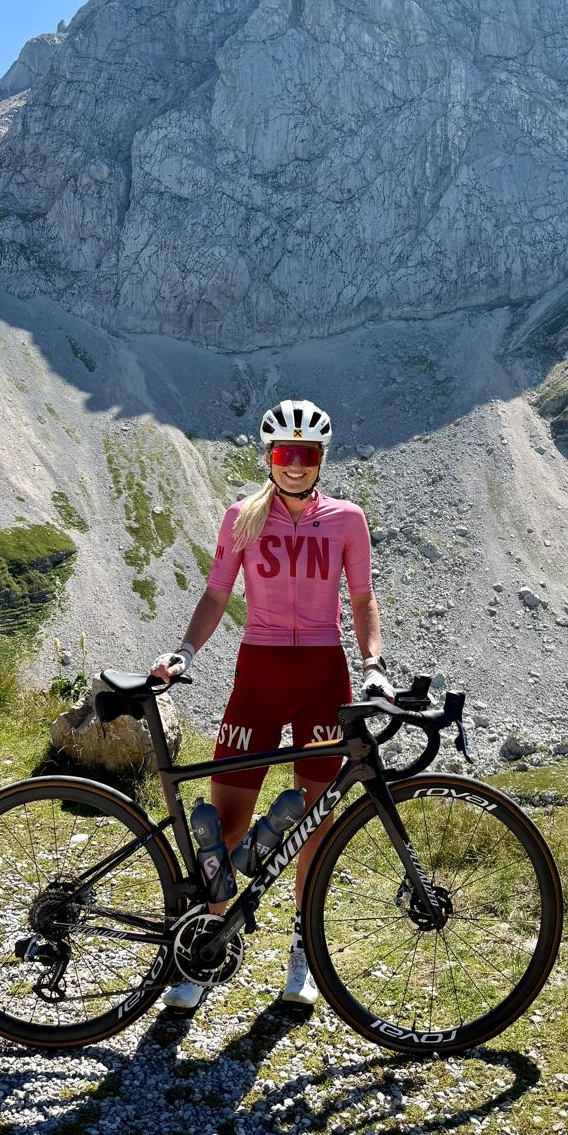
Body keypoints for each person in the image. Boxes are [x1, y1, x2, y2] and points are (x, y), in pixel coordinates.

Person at [151, 397, 393, 1013]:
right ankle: (206, 948)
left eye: (307, 454)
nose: (295, 464)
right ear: (268, 456)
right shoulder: (241, 517)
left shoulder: (347, 520)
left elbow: (362, 600)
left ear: (321, 459)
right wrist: (184, 652)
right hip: (257, 673)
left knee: (314, 822)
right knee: (226, 822)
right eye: (285, 452)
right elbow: (215, 595)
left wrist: (373, 666)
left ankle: (302, 952)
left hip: (322, 676)